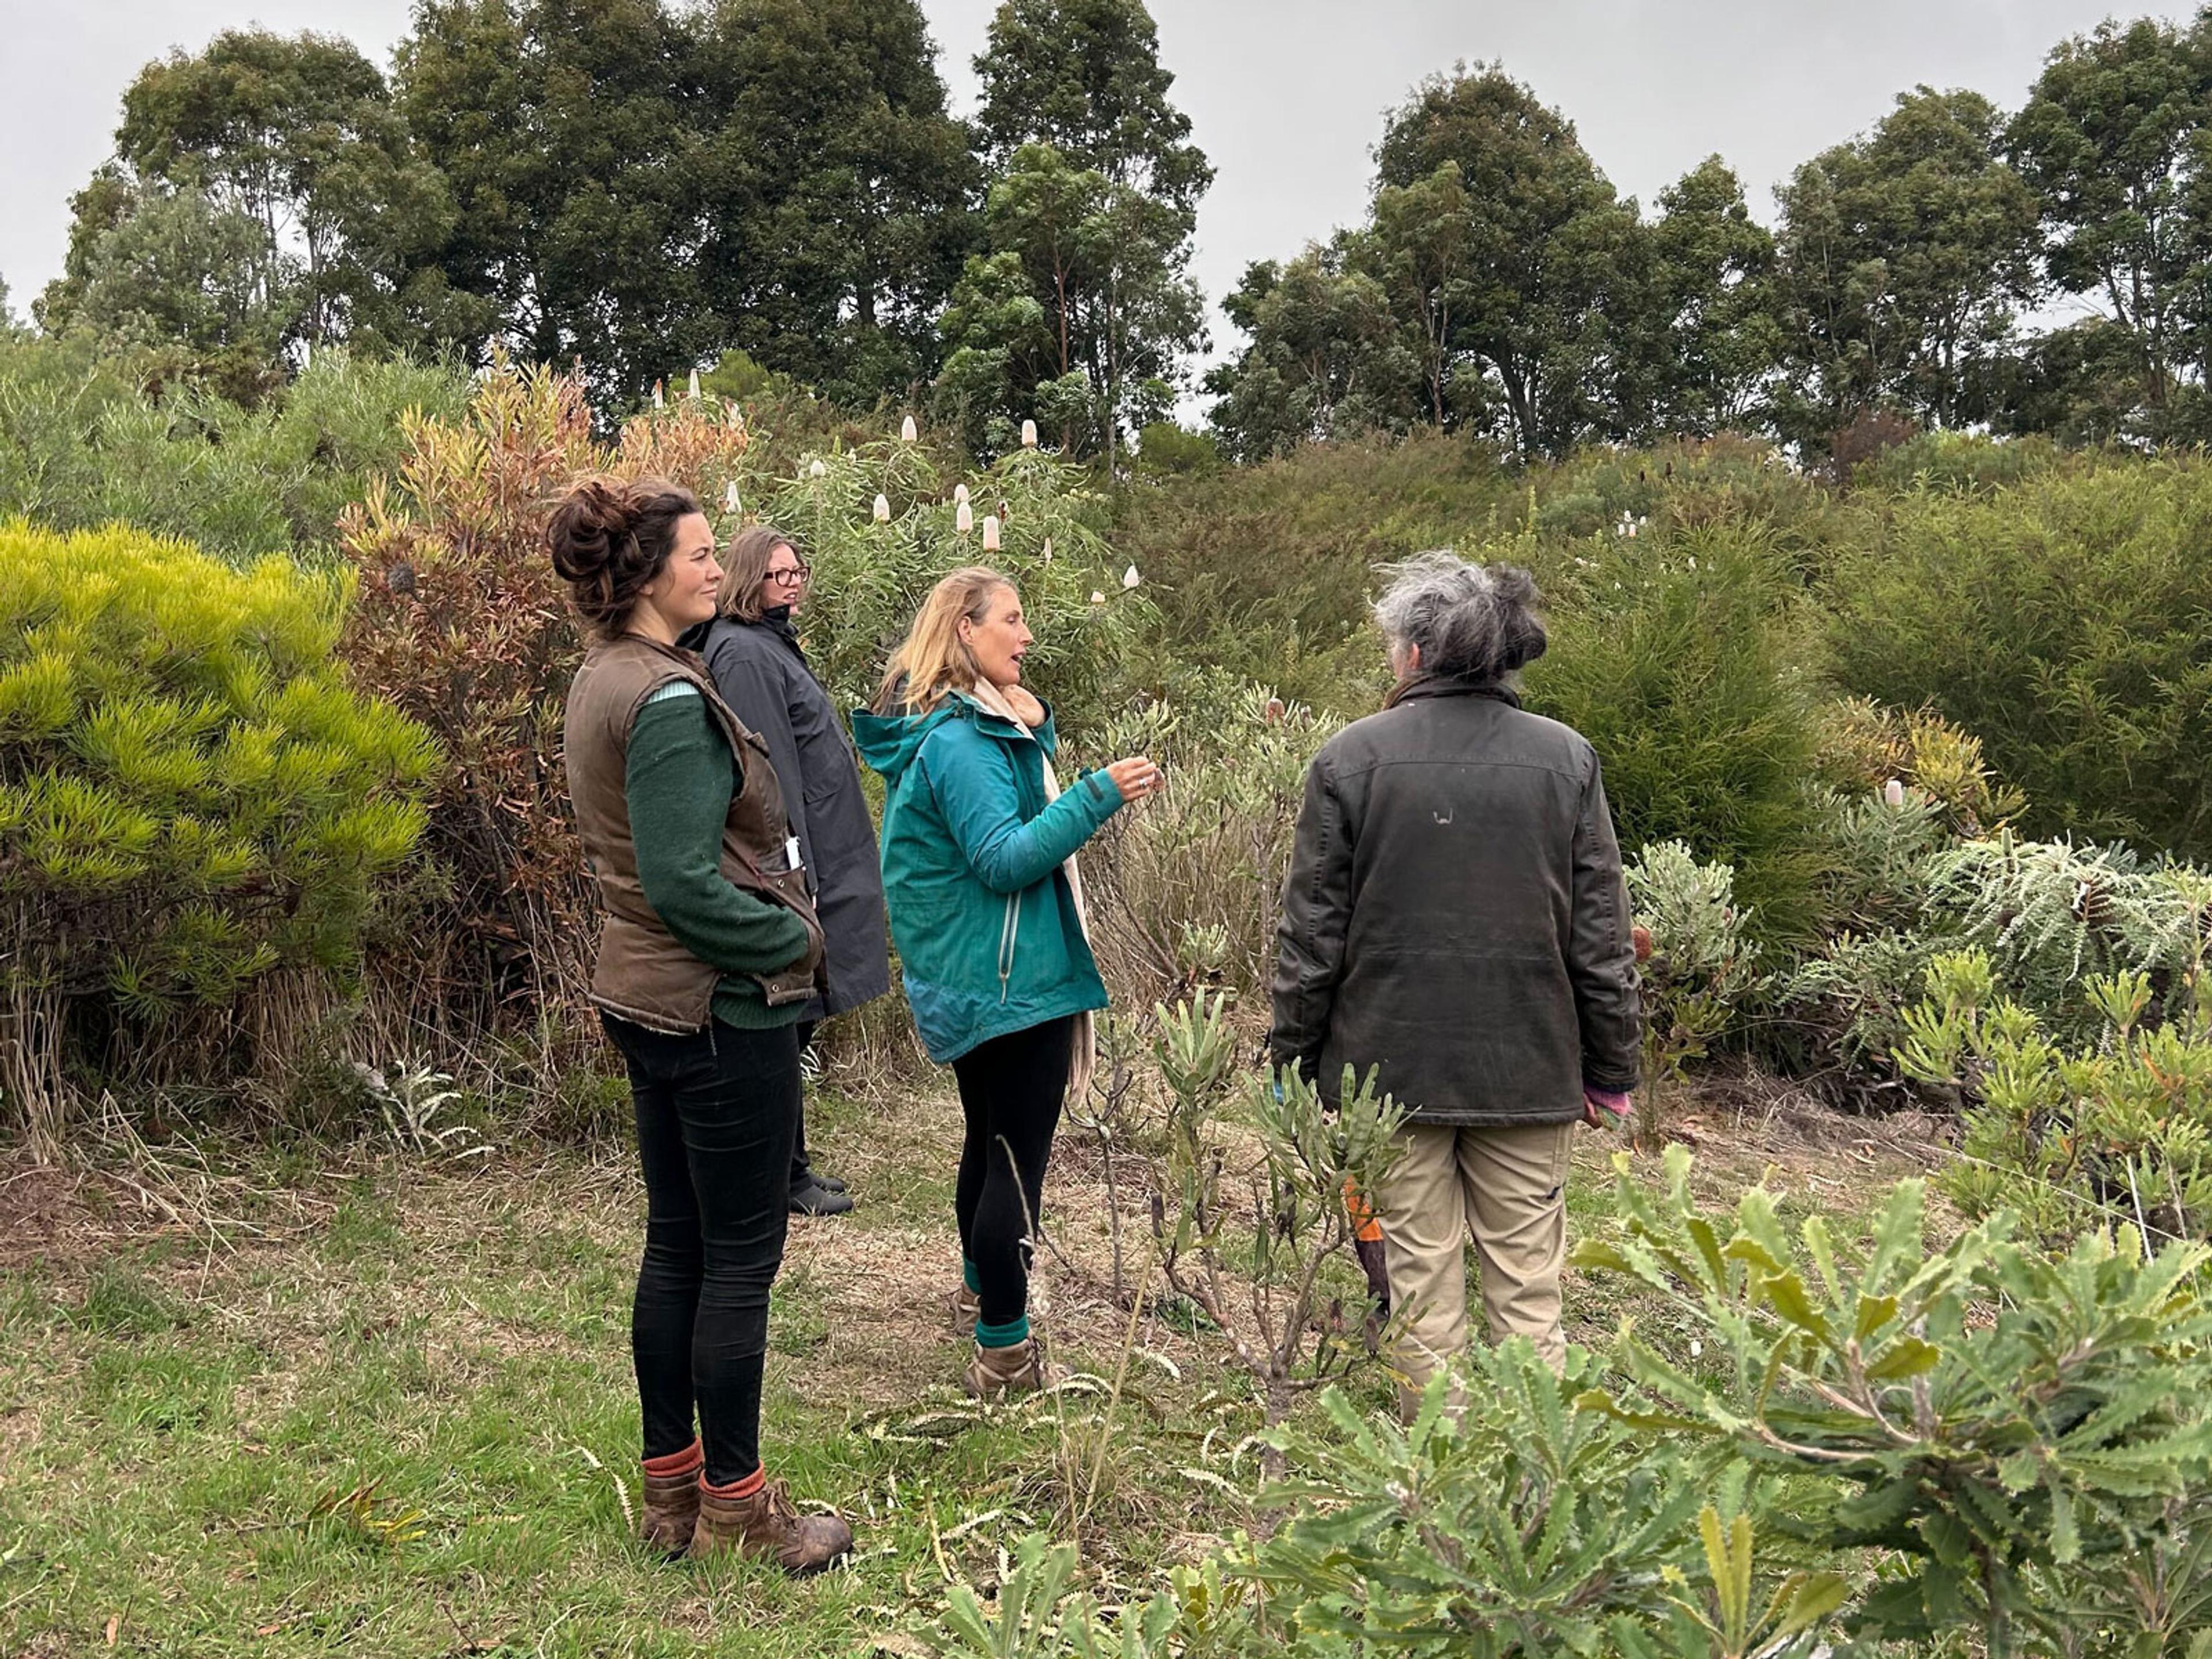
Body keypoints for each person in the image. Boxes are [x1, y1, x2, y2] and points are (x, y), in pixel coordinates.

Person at [551, 476, 853, 1572]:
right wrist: (796, 945)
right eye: (697, 552)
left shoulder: (609, 677)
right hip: (717, 1007)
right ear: (644, 574)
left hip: (646, 997)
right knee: (737, 1257)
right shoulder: (671, 700)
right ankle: (739, 1505)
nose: (712, 567)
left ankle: (671, 1491)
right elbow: (685, 885)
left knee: (677, 1244)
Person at [1268, 552, 1641, 1414]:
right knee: (1528, 1296)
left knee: (1422, 1298)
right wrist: (1611, 1073)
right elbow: (1602, 941)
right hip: (1530, 1069)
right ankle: (1527, 1500)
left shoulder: (1349, 759)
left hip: (1385, 1073)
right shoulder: (1567, 761)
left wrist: (1293, 1062)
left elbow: (1311, 939)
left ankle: (1438, 1498)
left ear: (1415, 655)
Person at [851, 567, 1161, 1397]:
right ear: (965, 630)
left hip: (978, 971)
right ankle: (1005, 1351)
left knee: (989, 1146)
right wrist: (1099, 795)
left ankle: (981, 1292)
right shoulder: (958, 741)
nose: (1026, 636)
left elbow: (1010, 799)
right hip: (1007, 979)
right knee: (1014, 1166)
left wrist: (1033, 724)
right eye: (1013, 621)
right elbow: (1005, 858)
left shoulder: (957, 729)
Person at [684, 526, 892, 1217]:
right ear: (749, 579)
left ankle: (791, 1167)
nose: (793, 583)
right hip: (797, 868)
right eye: (779, 575)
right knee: (783, 1022)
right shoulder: (742, 651)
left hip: (821, 854)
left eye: (799, 570)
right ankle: (780, 1179)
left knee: (796, 1021)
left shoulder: (768, 644)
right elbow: (767, 773)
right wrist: (792, 872)